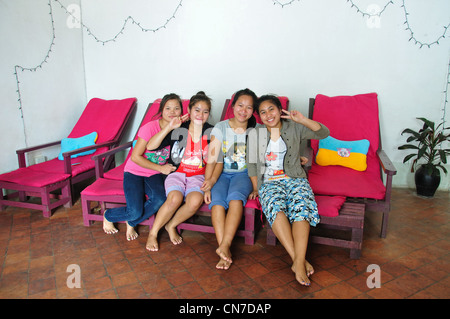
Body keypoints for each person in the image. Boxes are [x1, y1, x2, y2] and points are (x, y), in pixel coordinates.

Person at [246, 94, 330, 286]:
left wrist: (302, 119)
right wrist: (257, 188)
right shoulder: (256, 134)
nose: (268, 115)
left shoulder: (294, 127)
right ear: (259, 116)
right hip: (268, 182)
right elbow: (252, 165)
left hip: (295, 179)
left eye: (271, 109)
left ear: (280, 110)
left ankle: (297, 262)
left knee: (302, 208)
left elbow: (324, 133)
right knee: (276, 208)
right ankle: (298, 261)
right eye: (263, 112)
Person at [103, 93, 187, 241]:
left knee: (160, 199)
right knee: (134, 211)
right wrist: (161, 168)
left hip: (153, 174)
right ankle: (109, 215)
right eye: (168, 108)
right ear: (161, 110)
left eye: (176, 108)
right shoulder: (149, 128)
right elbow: (135, 157)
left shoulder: (181, 129)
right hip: (134, 171)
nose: (172, 112)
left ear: (182, 111)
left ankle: (131, 222)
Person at [145, 91, 214, 251]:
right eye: (197, 110)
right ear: (189, 111)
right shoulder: (178, 128)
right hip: (176, 173)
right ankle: (153, 233)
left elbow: (212, 161)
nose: (200, 114)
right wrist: (170, 127)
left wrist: (209, 182)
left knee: (195, 201)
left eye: (205, 111)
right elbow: (150, 146)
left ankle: (171, 225)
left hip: (198, 175)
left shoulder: (211, 131)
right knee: (174, 198)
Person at [204, 88, 258, 270]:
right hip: (221, 173)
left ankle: (224, 246)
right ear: (232, 106)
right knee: (217, 202)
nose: (244, 110)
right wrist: (209, 183)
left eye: (249, 107)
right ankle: (224, 249)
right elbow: (213, 157)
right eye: (240, 105)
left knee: (235, 198)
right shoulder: (221, 127)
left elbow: (272, 151)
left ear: (253, 111)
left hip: (243, 175)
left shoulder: (256, 130)